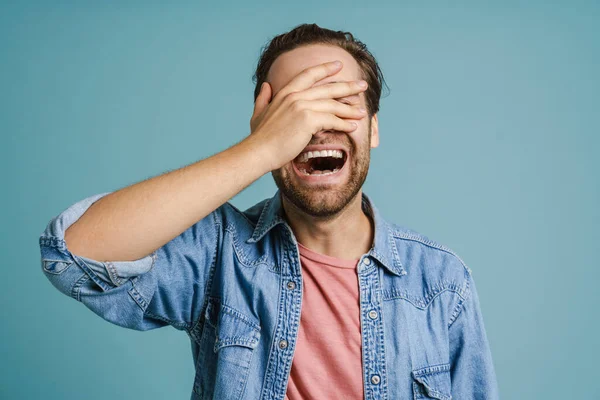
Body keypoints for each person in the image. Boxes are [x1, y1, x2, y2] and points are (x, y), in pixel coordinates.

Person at [39, 23, 499, 400]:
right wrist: (258, 151)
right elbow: (73, 254)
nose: (316, 126)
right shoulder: (220, 254)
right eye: (293, 108)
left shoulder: (441, 282)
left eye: (339, 103)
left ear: (373, 129)